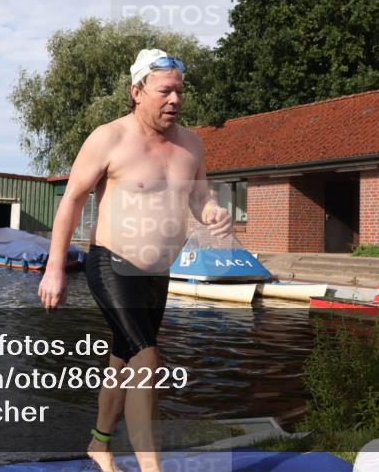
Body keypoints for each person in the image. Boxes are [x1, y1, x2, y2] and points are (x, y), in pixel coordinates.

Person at [38, 49, 233, 472]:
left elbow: (200, 196)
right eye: (165, 91)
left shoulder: (191, 143)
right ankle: (152, 469)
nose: (175, 100)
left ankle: (99, 444)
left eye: (180, 91)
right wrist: (55, 267)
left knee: (123, 361)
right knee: (147, 360)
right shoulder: (110, 137)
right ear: (137, 91)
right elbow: (71, 200)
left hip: (156, 274)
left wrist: (213, 211)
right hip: (112, 264)